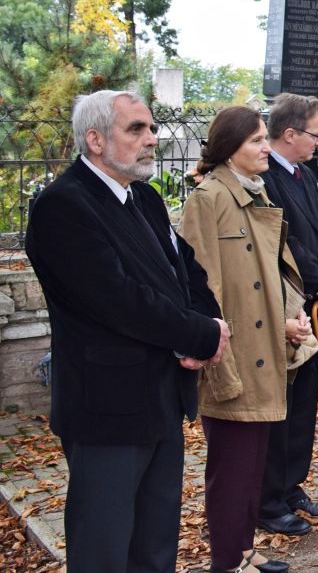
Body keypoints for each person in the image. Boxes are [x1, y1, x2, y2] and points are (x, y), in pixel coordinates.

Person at [25, 90, 227, 573]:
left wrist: (210, 325)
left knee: (155, 547)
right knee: (105, 551)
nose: (152, 139)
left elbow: (187, 274)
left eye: (151, 128)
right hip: (107, 409)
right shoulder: (62, 206)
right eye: (136, 129)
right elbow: (119, 300)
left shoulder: (146, 199)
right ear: (95, 140)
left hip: (162, 396)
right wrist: (199, 335)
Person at [178, 105, 305, 573]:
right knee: (230, 470)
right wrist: (220, 363)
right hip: (232, 356)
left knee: (253, 465)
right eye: (255, 140)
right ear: (230, 148)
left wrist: (288, 321)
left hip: (264, 351)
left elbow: (267, 276)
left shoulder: (255, 192)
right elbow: (201, 290)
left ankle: (245, 549)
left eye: (265, 138)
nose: (266, 147)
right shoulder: (207, 199)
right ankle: (228, 561)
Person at [257, 94, 318, 537]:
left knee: (306, 401)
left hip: (315, 301)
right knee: (282, 406)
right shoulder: (264, 176)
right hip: (288, 305)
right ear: (288, 134)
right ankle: (269, 499)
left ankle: (293, 485)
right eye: (313, 133)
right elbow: (283, 239)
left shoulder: (305, 174)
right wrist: (317, 280)